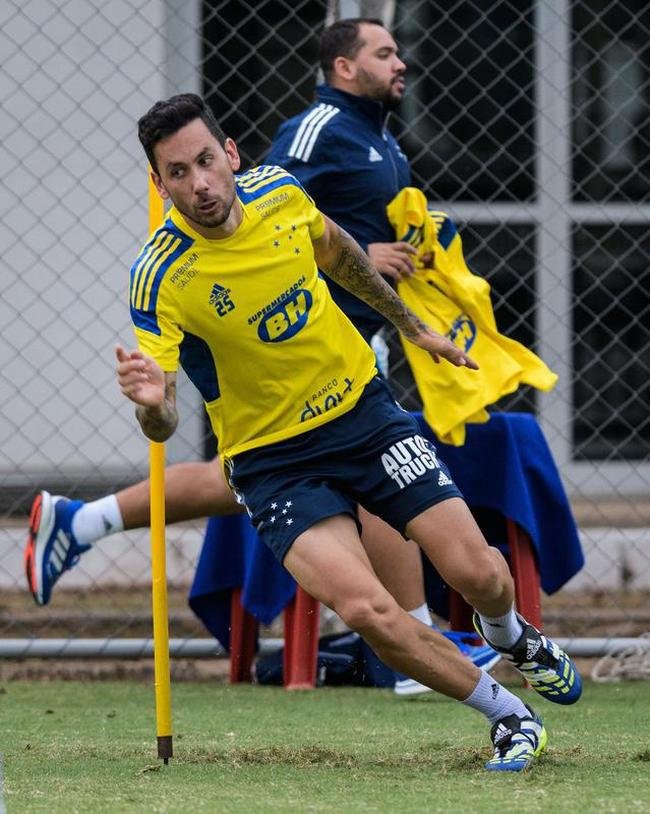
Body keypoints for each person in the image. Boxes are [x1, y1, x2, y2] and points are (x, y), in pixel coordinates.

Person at [61, 92, 581, 771]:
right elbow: (161, 424)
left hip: (362, 417)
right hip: (272, 463)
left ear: (232, 156)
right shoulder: (158, 276)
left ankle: (512, 635)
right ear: (158, 185)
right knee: (367, 610)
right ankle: (509, 716)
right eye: (177, 174)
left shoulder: (280, 193)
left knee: (478, 571)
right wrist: (153, 403)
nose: (199, 184)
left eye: (206, 162)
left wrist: (409, 324)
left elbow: (338, 252)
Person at [25, 18, 501, 694]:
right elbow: (279, 218)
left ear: (228, 153)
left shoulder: (379, 134)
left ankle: (82, 519)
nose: (401, 63)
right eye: (384, 52)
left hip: (341, 344)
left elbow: (329, 233)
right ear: (343, 66)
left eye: (206, 163)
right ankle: (416, 639)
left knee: (247, 477)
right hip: (283, 349)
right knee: (313, 473)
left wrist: (400, 284)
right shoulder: (309, 139)